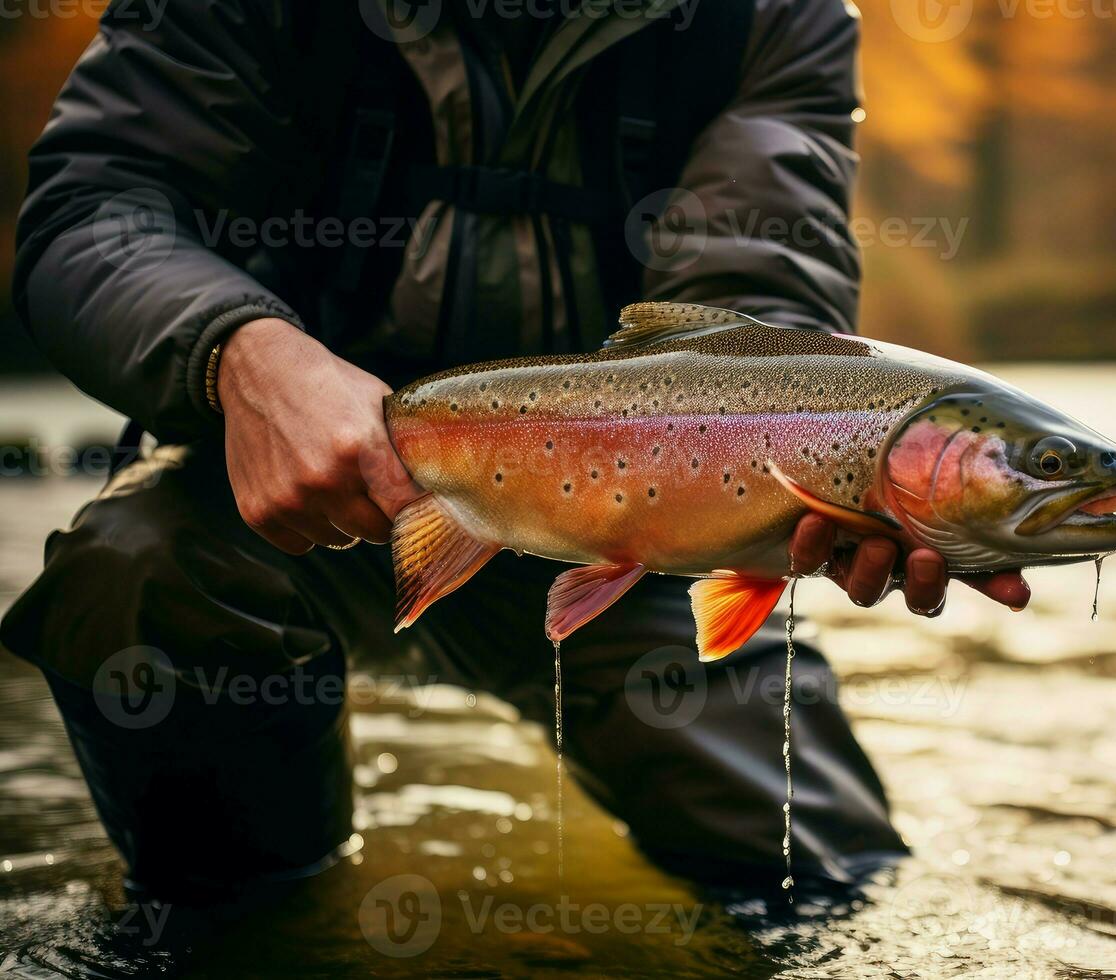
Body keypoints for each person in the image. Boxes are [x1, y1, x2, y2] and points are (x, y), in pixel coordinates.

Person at [1, 0, 1019, 904]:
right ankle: (246, 921)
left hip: (637, 528)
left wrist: (821, 484)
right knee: (133, 573)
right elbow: (93, 214)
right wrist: (240, 350)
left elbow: (753, 312)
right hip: (276, 494)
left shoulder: (763, 15)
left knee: (820, 877)